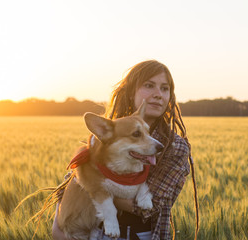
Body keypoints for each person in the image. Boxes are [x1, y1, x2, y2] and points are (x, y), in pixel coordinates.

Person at [52, 60, 198, 240]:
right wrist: (58, 226)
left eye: (165, 88)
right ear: (131, 93)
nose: (158, 94)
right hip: (94, 234)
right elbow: (71, 181)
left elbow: (150, 207)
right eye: (149, 85)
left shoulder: (174, 147)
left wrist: (92, 185)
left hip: (142, 235)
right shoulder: (111, 131)